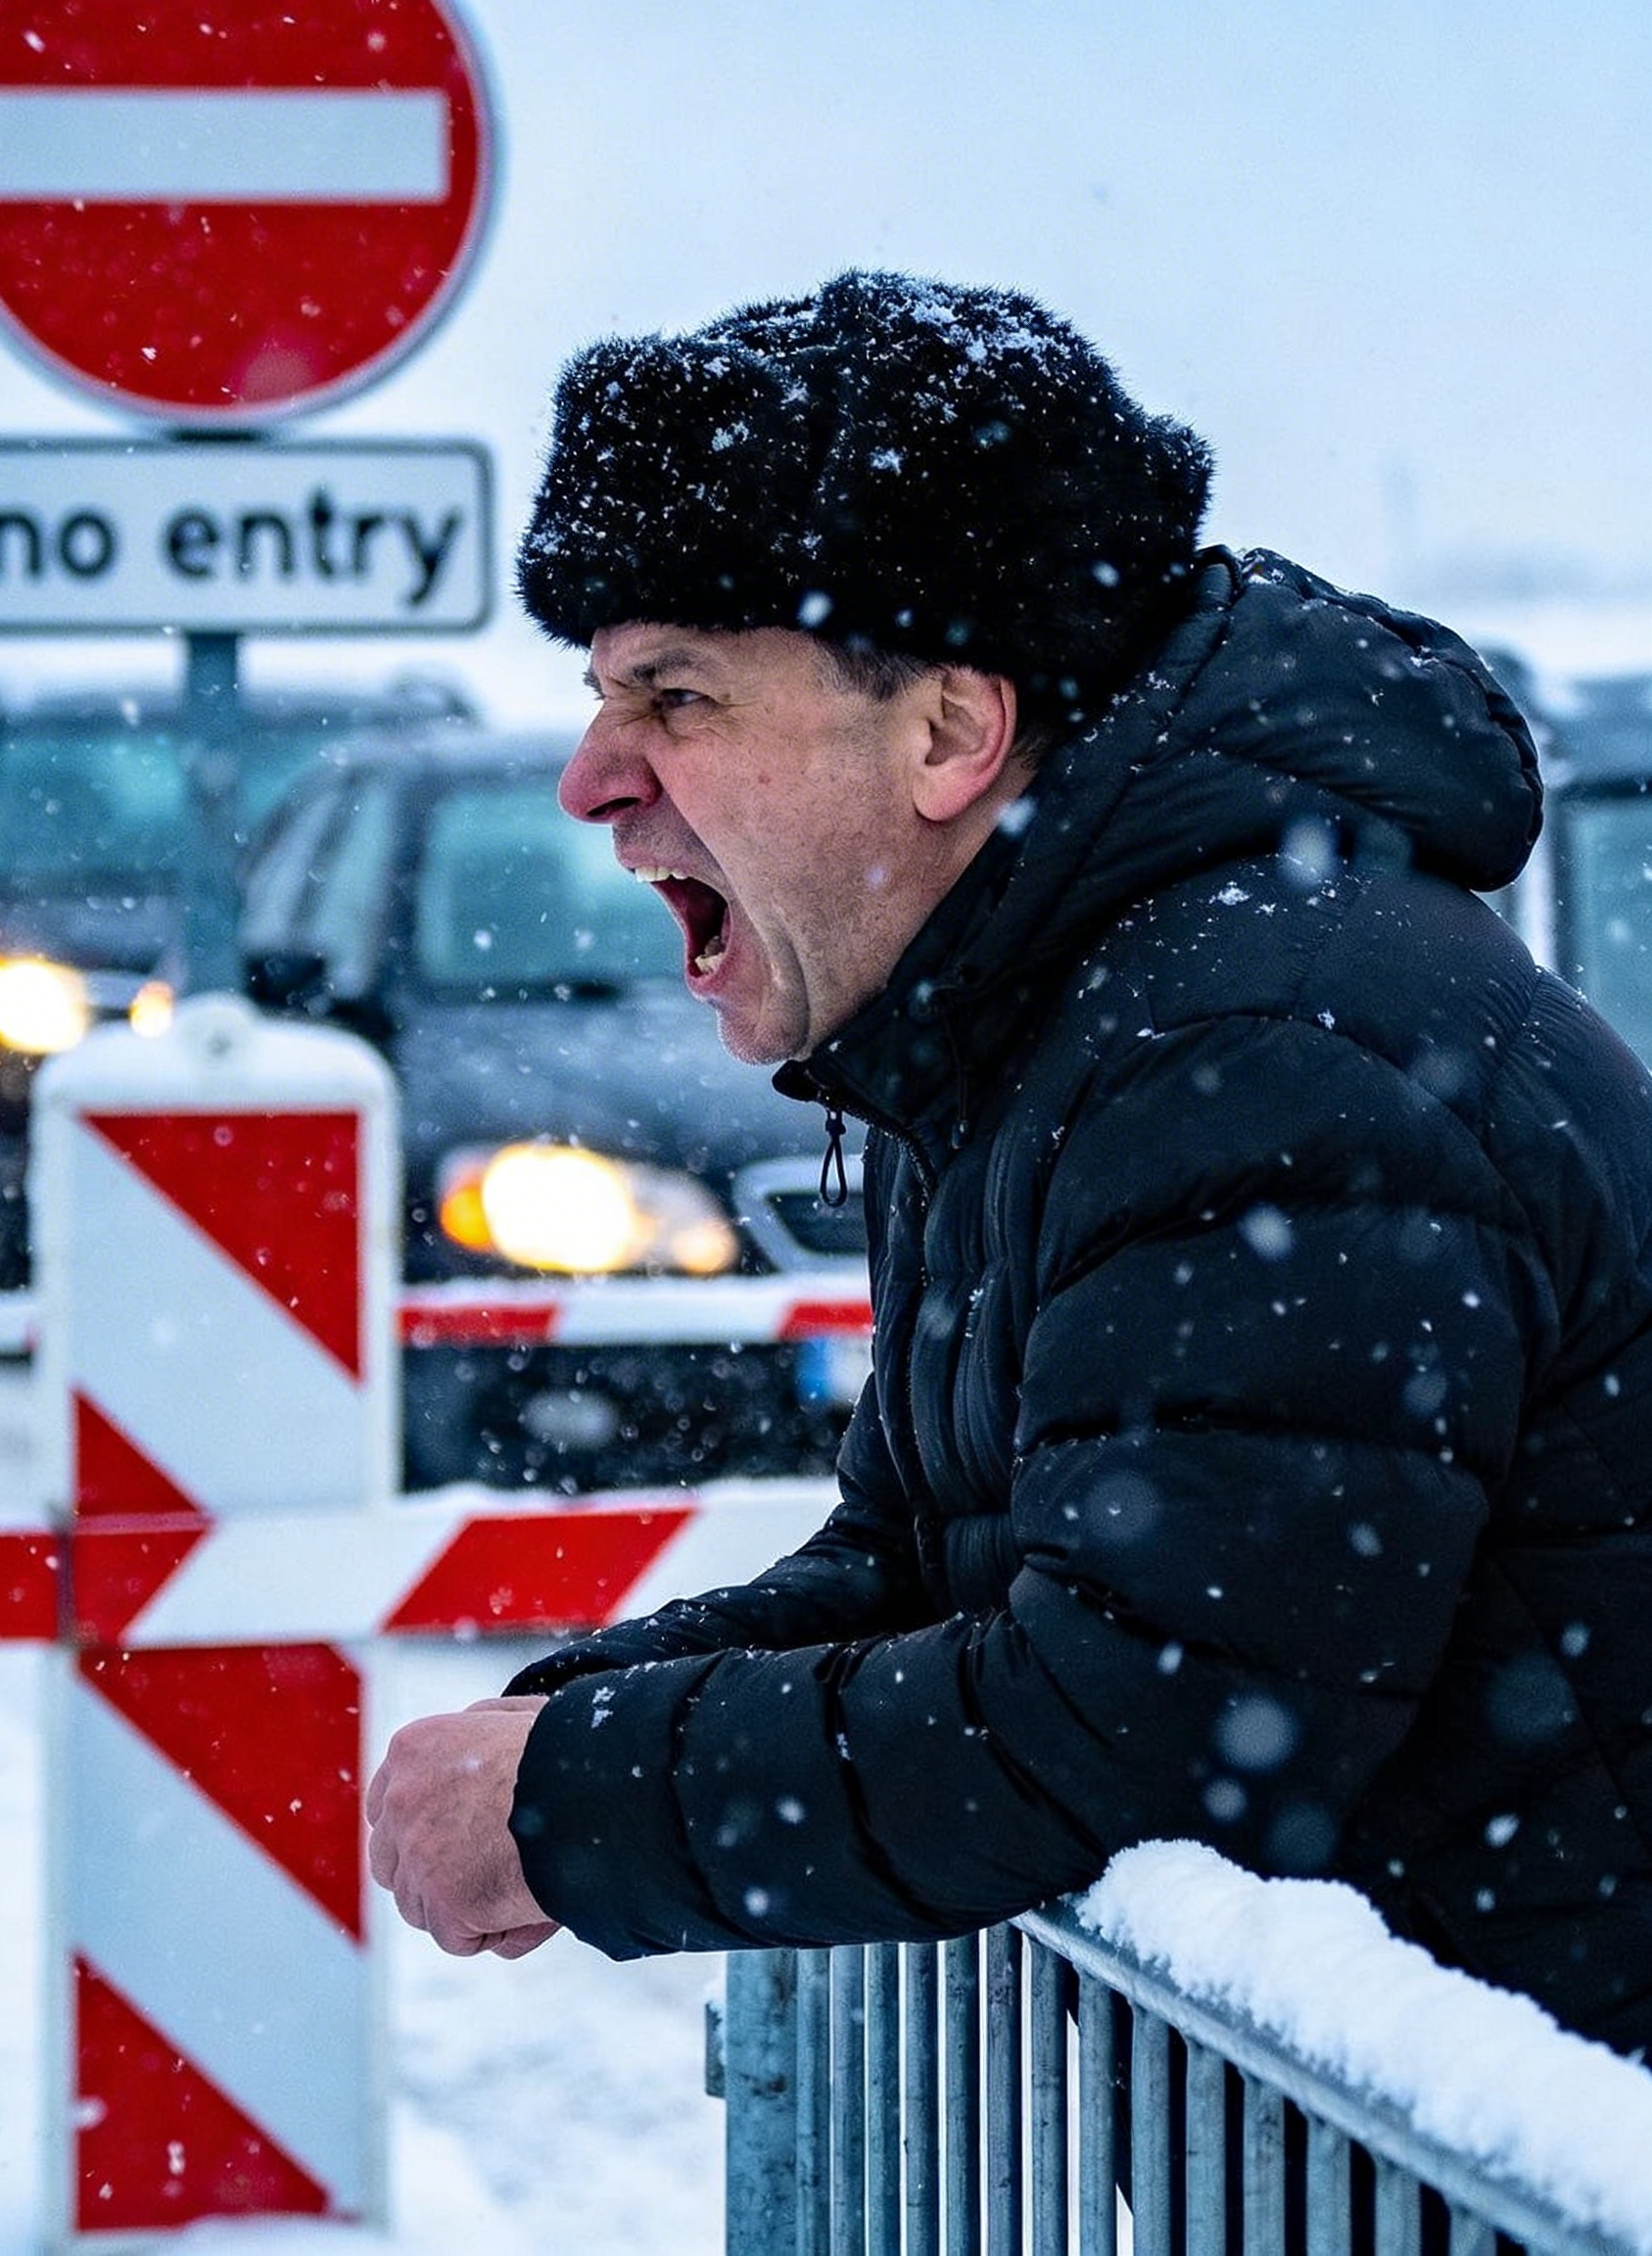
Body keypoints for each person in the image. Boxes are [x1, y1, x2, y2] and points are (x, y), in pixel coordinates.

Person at [366, 269, 1652, 2056]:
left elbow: (1149, 1720)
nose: (590, 777)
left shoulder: (1262, 1056)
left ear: (950, 734)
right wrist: (572, 1724)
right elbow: (935, 1560)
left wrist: (580, 1798)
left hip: (1564, 2148)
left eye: (677, 696)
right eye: (601, 694)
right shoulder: (1049, 1021)